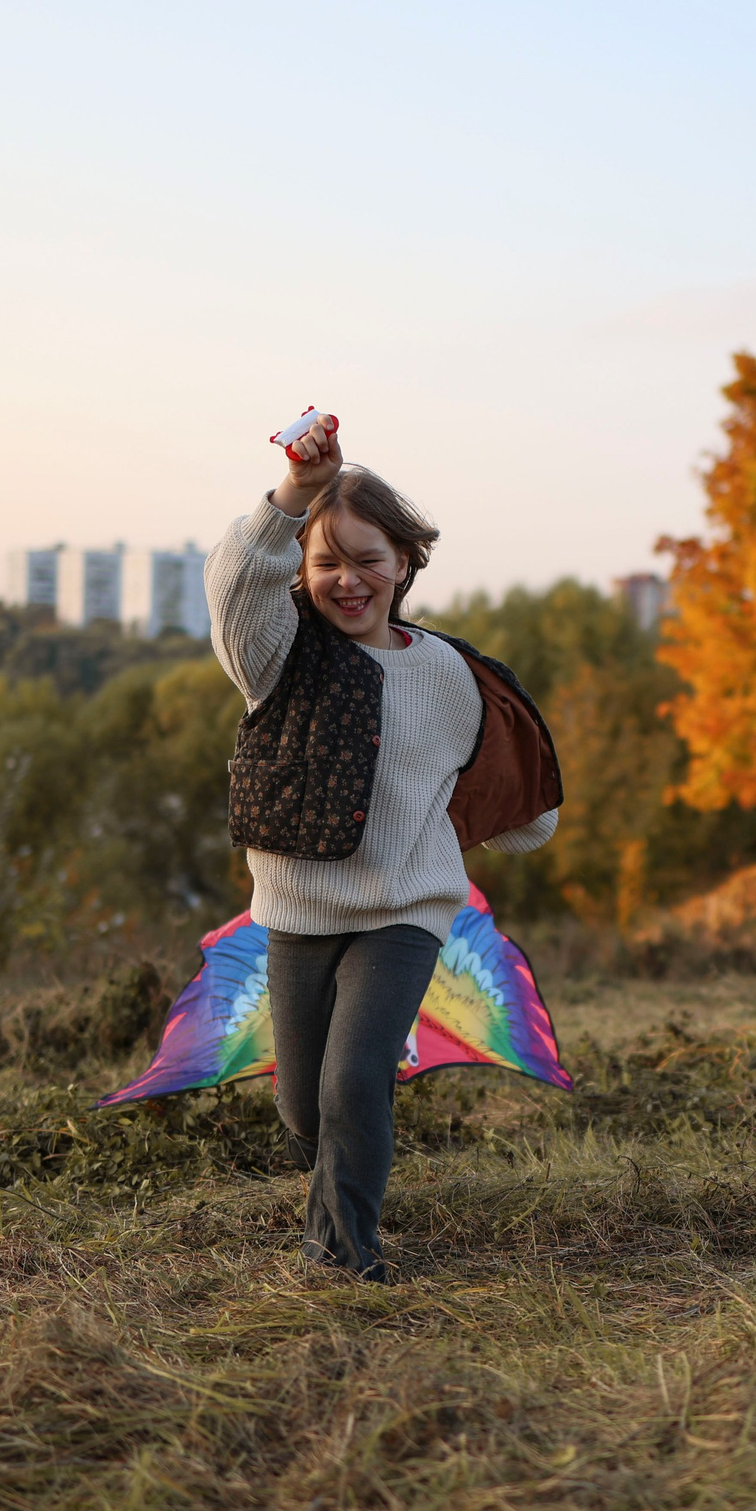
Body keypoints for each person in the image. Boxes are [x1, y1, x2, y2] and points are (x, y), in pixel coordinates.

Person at [205, 412, 562, 1282]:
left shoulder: (451, 673)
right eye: (327, 561)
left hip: (406, 910)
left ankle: (343, 1258)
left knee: (352, 1079)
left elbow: (508, 792)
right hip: (298, 910)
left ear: (405, 562)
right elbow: (234, 586)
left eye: (369, 558)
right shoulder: (277, 654)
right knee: (302, 1106)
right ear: (303, 571)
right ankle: (337, 1179)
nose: (348, 579)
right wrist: (295, 490)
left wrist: (506, 826)